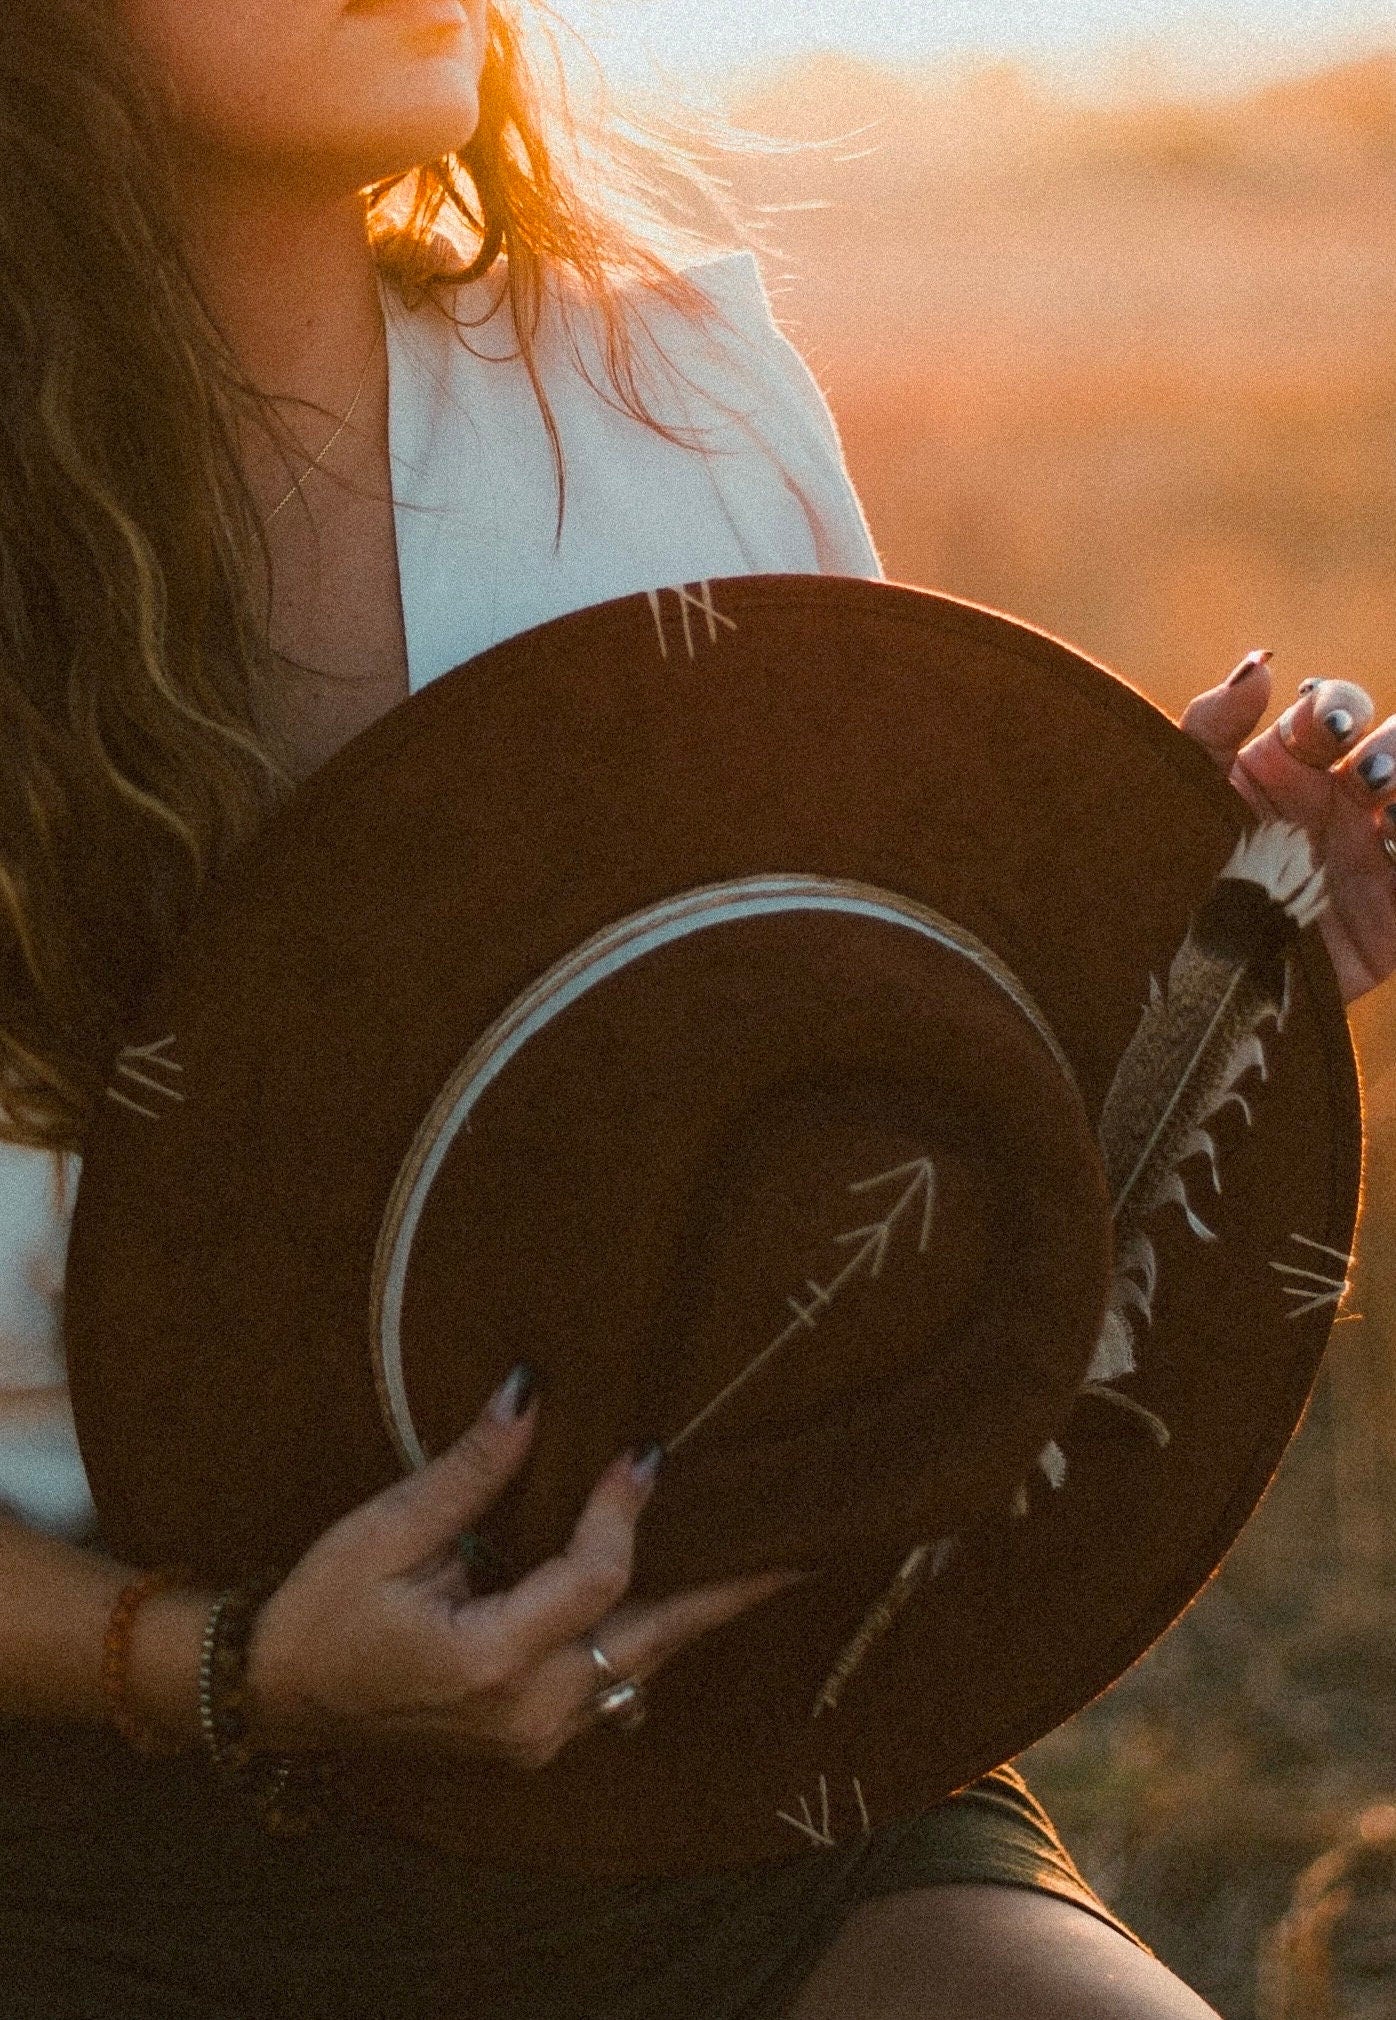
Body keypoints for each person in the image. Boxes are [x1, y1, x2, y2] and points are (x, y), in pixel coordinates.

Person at [0, 2, 1392, 2014]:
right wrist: (227, 1668)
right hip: (79, 1842)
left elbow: (832, 1166)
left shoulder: (671, 403)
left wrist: (1187, 988)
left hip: (729, 1785)